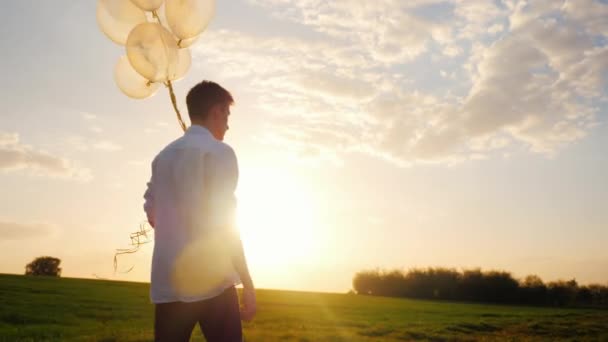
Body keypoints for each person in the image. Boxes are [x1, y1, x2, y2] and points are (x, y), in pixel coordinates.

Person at [143, 80, 256, 342]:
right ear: (216, 111)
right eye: (227, 115)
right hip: (213, 282)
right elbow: (225, 223)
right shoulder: (220, 153)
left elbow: (152, 213)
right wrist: (247, 284)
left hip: (169, 282)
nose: (228, 124)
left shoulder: (163, 157)